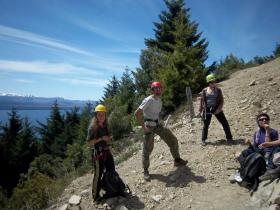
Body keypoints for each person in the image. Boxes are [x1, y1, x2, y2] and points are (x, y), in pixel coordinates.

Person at [134, 81, 187, 181]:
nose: (158, 90)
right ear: (152, 90)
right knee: (147, 149)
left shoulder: (159, 100)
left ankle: (177, 160)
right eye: (156, 88)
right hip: (149, 126)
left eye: (159, 88)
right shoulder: (148, 100)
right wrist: (143, 127)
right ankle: (145, 170)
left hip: (157, 125)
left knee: (172, 140)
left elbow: (154, 113)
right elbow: (137, 113)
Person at [87, 104, 115, 202]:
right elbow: (89, 142)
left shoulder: (105, 125)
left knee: (111, 170)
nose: (101, 116)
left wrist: (109, 141)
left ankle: (109, 188)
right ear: (96, 115)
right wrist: (101, 138)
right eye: (99, 115)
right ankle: (95, 195)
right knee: (98, 175)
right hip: (98, 154)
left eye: (103, 114)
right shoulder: (92, 128)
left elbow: (107, 137)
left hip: (106, 151)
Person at [198, 74, 233, 146]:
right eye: (212, 82)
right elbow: (202, 101)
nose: (214, 83)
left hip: (216, 108)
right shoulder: (204, 90)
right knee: (206, 125)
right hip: (207, 109)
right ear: (209, 83)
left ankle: (229, 138)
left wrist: (219, 109)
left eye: (214, 81)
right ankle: (203, 140)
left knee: (224, 123)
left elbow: (221, 101)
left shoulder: (218, 90)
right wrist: (200, 111)